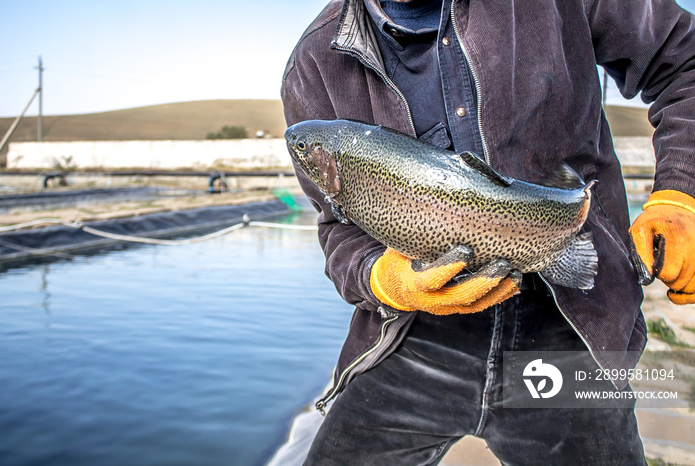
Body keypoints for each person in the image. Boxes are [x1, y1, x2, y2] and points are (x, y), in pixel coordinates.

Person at [281, 0, 695, 463]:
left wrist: (681, 192)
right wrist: (385, 280)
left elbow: (685, 60)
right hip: (413, 337)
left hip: (570, 325)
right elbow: (339, 228)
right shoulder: (314, 63)